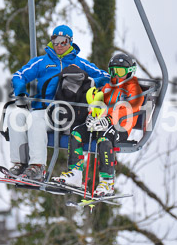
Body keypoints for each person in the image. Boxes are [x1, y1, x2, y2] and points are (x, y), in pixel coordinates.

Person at [8, 25, 110, 180]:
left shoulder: (80, 63)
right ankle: (20, 163)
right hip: (45, 111)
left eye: (63, 41)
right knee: (16, 117)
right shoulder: (42, 62)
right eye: (55, 40)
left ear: (70, 42)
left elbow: (105, 77)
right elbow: (19, 75)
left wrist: (88, 82)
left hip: (68, 114)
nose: (59, 45)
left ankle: (37, 167)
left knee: (36, 119)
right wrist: (21, 92)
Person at [53, 52, 144, 196]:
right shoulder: (107, 86)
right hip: (100, 123)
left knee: (104, 139)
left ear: (130, 72)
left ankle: (107, 181)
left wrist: (109, 119)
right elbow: (97, 103)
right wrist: (91, 116)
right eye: (112, 71)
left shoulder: (133, 88)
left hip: (120, 126)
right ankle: (75, 173)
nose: (116, 75)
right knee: (77, 132)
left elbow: (129, 107)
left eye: (120, 72)